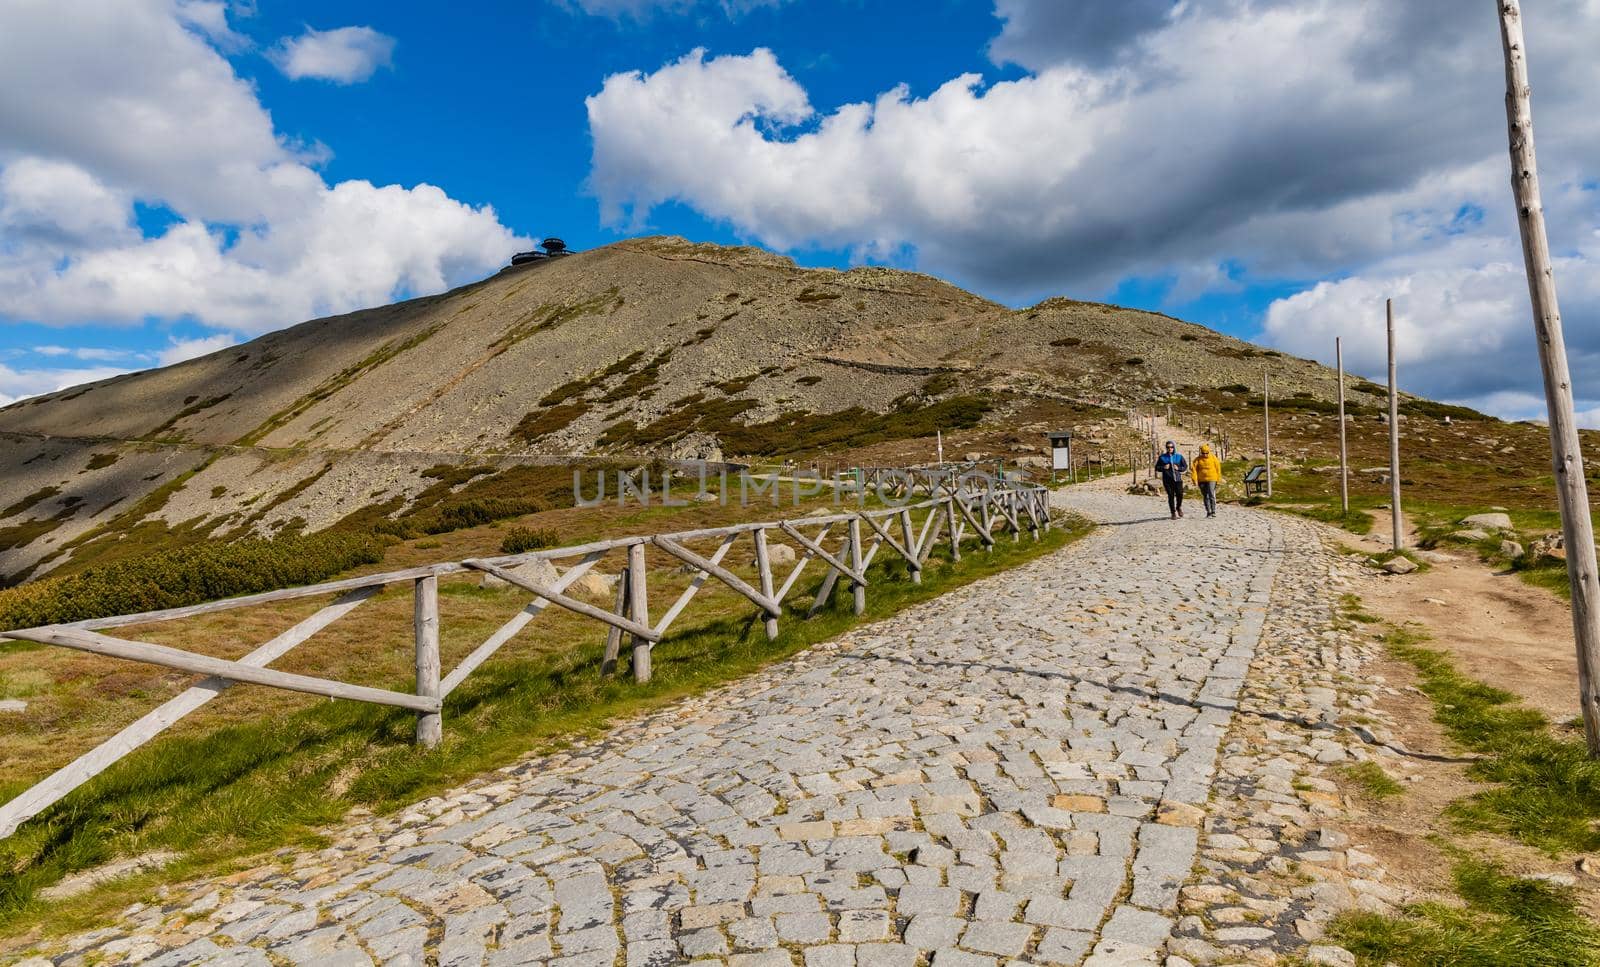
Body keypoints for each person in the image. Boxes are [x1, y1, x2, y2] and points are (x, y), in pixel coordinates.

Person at [1154, 441, 1189, 519]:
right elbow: (1157, 468)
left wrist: (1179, 468)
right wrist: (1163, 467)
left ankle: (1178, 507)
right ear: (1166, 448)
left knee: (1180, 494)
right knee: (1171, 496)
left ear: (1174, 447)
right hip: (1167, 480)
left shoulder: (1179, 456)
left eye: (1171, 447)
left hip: (1178, 479)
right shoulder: (1162, 457)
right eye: (1168, 447)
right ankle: (1173, 513)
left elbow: (1185, 466)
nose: (1170, 449)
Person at [1192, 443, 1222, 517]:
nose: (1205, 454)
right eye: (1203, 453)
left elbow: (1218, 469)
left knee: (1211, 494)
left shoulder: (1213, 458)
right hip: (1201, 480)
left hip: (1212, 479)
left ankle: (1213, 511)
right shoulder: (1197, 460)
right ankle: (1208, 511)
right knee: (1205, 496)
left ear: (1209, 452)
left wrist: (1218, 479)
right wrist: (1194, 480)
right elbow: (1194, 470)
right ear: (1201, 452)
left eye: (1206, 453)